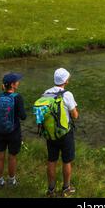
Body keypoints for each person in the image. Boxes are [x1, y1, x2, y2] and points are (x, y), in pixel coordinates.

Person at [0, 72, 26, 189]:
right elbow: (23, 117)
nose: (18, 82)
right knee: (12, 157)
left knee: (0, 157)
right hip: (13, 133)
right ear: (13, 85)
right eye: (17, 81)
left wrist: (1, 117)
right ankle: (12, 181)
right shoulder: (18, 97)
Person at [43, 68, 79, 197]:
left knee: (51, 160)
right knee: (66, 161)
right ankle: (66, 188)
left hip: (50, 133)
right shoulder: (67, 94)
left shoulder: (46, 93)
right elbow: (74, 115)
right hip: (65, 133)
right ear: (65, 81)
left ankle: (51, 189)